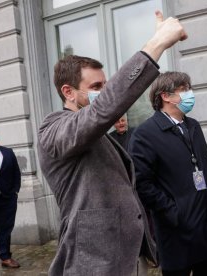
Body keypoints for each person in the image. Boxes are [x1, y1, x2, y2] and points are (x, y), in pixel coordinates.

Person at [37, 11, 187, 276]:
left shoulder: (95, 132)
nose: (105, 92)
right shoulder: (53, 128)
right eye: (96, 86)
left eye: (106, 85)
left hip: (125, 255)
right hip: (93, 261)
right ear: (68, 92)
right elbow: (101, 112)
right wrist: (157, 44)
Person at [129, 72, 207, 276]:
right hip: (176, 233)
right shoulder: (145, 134)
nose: (190, 94)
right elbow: (142, 184)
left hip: (205, 229)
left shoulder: (193, 126)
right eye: (184, 89)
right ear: (165, 96)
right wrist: (174, 212)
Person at [0, 123, 21, 268]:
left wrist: (14, 192)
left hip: (6, 200)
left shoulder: (7, 152)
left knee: (5, 230)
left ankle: (5, 257)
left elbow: (16, 173)